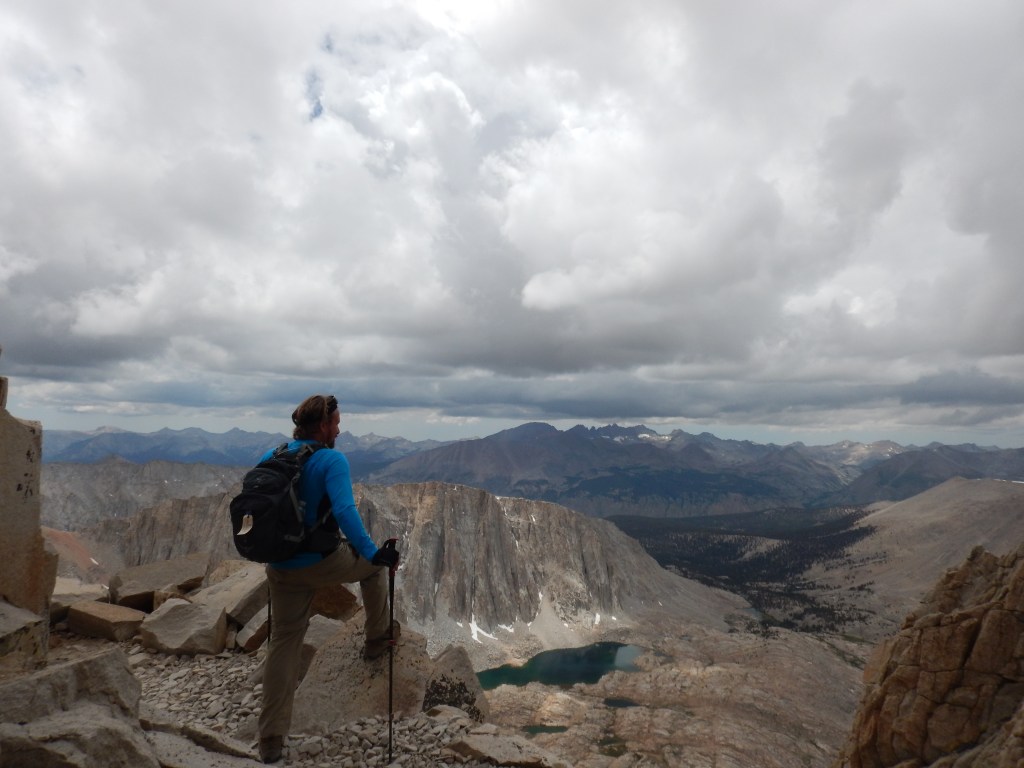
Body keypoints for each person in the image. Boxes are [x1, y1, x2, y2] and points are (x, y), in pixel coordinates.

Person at [257, 394, 400, 764]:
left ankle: (270, 739)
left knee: (284, 641)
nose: (339, 428)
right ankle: (376, 638)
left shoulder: (273, 455)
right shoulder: (332, 459)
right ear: (322, 426)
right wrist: (373, 553)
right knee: (374, 569)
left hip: (280, 566)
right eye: (335, 422)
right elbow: (345, 511)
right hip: (319, 560)